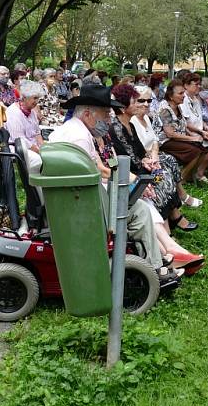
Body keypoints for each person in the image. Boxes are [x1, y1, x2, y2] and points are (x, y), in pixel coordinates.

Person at [48, 85, 169, 279]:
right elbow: (97, 174)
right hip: (83, 206)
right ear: (88, 114)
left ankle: (156, 258)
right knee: (140, 210)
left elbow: (104, 167)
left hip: (74, 198)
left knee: (137, 204)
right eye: (105, 115)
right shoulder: (80, 138)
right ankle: (155, 268)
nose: (108, 120)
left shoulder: (75, 131)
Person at [109, 85, 203, 270]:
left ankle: (172, 234)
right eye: (136, 101)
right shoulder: (116, 127)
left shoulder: (128, 125)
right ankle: (170, 238)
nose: (140, 104)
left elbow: (140, 151)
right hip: (132, 176)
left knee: (164, 175)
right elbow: (124, 160)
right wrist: (145, 166)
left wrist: (148, 161)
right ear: (122, 106)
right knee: (159, 183)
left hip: (136, 173)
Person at [159, 79, 208, 184]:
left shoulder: (178, 107)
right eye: (180, 93)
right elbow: (169, 133)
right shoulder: (165, 110)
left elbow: (185, 123)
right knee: (195, 150)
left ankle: (189, 174)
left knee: (202, 148)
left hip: (176, 138)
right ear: (171, 96)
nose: (184, 95)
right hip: (165, 141)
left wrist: (200, 132)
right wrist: (192, 138)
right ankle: (182, 177)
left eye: (183, 92)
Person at [5, 80, 44, 152]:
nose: (37, 101)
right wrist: (39, 152)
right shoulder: (14, 112)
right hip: (20, 150)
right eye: (35, 98)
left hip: (34, 147)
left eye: (38, 98)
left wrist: (43, 148)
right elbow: (19, 140)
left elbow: (37, 133)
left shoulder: (32, 112)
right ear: (25, 97)